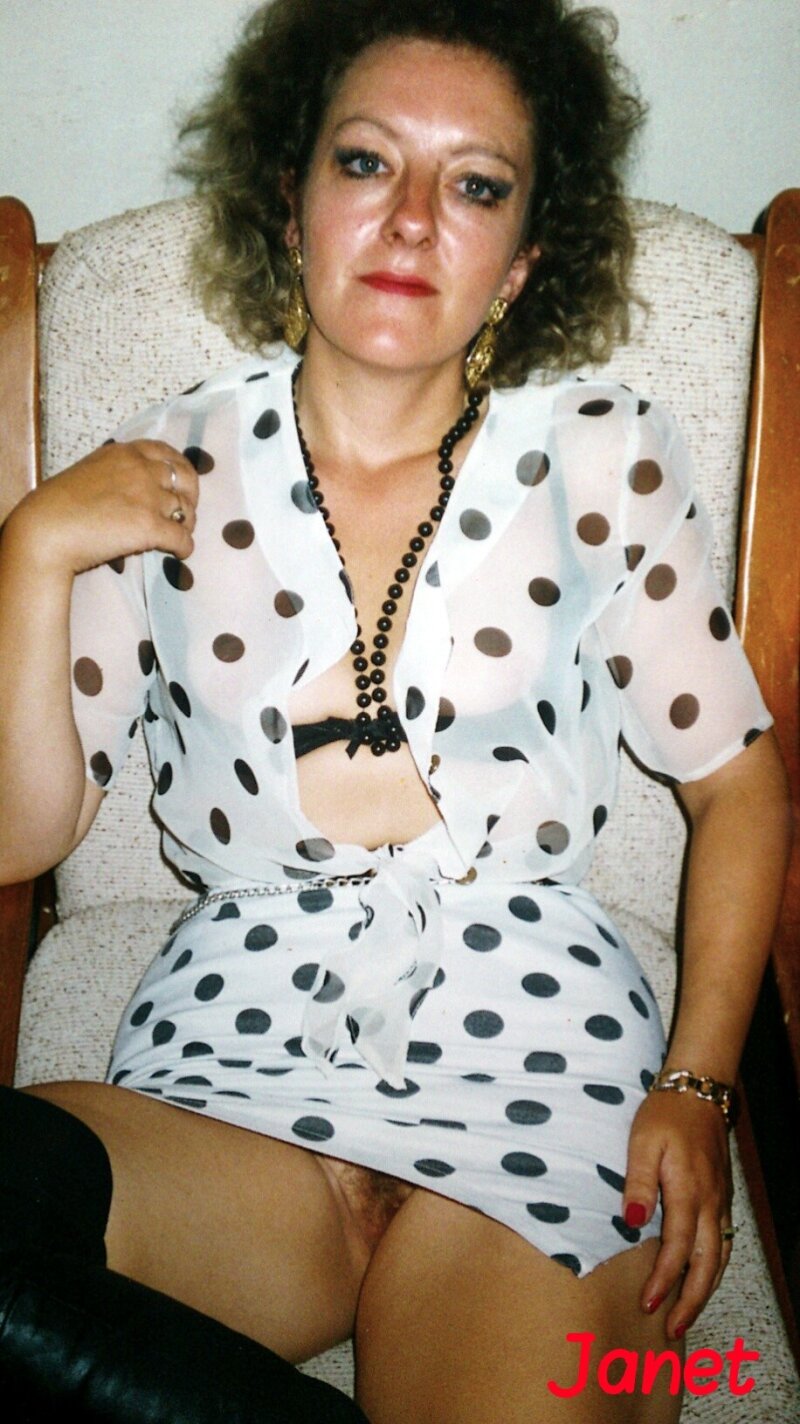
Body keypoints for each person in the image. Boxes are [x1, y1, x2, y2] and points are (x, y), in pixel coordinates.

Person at [0, 1, 791, 1420]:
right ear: (290, 200)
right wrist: (33, 550)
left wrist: (698, 1085)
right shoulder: (160, 470)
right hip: (233, 1070)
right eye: (366, 162)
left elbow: (737, 784)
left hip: (545, 1062)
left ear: (522, 260)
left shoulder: (600, 457)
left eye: (476, 185)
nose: (414, 219)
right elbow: (19, 835)